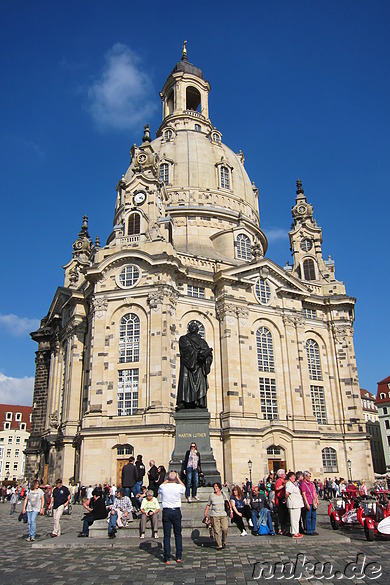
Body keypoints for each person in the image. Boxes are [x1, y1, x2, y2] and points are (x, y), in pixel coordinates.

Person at [176, 322, 213, 410]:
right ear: (188, 328)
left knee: (200, 385)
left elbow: (209, 355)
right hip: (187, 367)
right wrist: (200, 353)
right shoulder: (183, 339)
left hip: (199, 367)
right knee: (185, 384)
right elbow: (186, 350)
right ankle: (184, 402)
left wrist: (206, 356)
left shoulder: (202, 341)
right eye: (191, 326)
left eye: (195, 326)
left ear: (198, 330)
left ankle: (199, 402)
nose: (193, 327)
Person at [158, 470, 186, 565]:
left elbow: (160, 485)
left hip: (166, 512)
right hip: (176, 511)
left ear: (168, 478)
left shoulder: (163, 487)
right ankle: (178, 556)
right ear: (176, 479)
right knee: (178, 534)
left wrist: (168, 479)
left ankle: (167, 558)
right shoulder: (178, 487)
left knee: (167, 536)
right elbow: (184, 487)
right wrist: (178, 478)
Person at [204, 482, 229, 549]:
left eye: (216, 487)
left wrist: (231, 511)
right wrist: (205, 513)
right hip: (215, 515)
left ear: (219, 488)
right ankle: (219, 544)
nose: (215, 488)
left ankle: (223, 541)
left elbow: (227, 503)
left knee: (225, 528)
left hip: (223, 514)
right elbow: (208, 504)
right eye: (214, 487)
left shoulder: (223, 494)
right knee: (216, 530)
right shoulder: (211, 495)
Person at [285, 471, 304, 539]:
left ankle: (296, 531)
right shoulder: (289, 484)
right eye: (293, 477)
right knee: (294, 519)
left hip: (297, 504)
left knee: (297, 519)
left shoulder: (293, 484)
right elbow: (287, 493)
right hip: (293, 504)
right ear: (289, 478)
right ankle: (294, 533)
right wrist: (285, 499)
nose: (294, 478)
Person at [300, 471, 318, 536]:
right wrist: (306, 503)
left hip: (313, 502)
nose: (310, 477)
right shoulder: (303, 484)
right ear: (305, 476)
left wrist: (316, 499)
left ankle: (313, 529)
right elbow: (304, 494)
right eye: (308, 476)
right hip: (308, 502)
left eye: (310, 476)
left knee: (314, 516)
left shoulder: (310, 483)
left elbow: (313, 492)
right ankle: (309, 530)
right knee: (308, 516)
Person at [274, 469, 288, 535]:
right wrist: (283, 486)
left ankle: (284, 528)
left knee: (285, 515)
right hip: (279, 500)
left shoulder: (284, 480)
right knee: (280, 515)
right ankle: (280, 529)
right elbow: (276, 488)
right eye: (284, 474)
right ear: (281, 475)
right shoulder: (278, 481)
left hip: (284, 499)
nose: (285, 475)